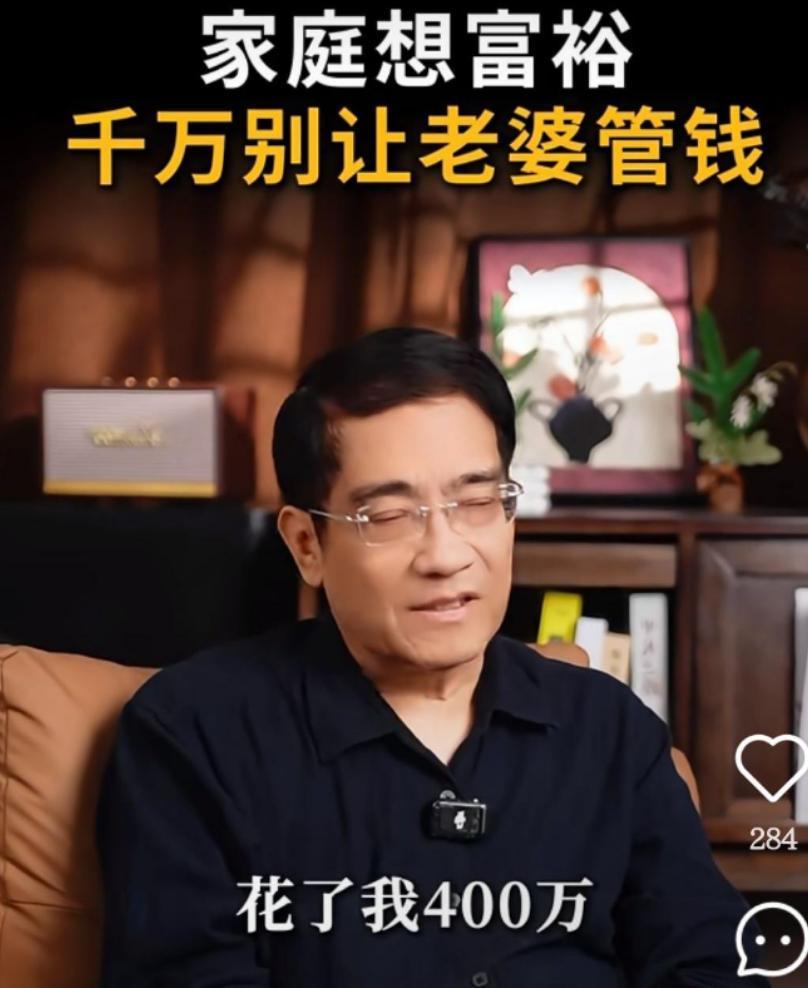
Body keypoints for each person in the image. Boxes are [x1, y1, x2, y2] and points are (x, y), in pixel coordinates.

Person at [96, 326, 768, 986]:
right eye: (389, 517)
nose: (446, 556)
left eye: (476, 502)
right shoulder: (195, 734)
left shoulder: (610, 730)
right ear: (306, 544)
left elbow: (713, 965)